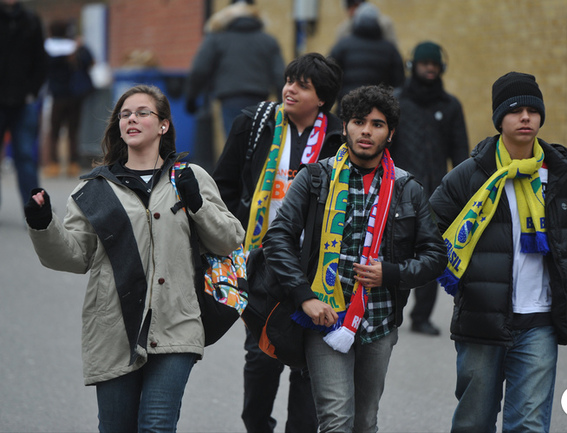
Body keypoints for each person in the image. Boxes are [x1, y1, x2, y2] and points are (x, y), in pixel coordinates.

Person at [24, 84, 244, 432]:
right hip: (114, 330)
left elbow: (229, 240)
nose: (132, 119)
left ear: (163, 125)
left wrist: (198, 204)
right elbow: (76, 256)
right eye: (125, 114)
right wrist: (43, 225)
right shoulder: (94, 189)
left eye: (143, 113)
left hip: (177, 323)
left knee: (157, 425)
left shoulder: (189, 177)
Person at [262, 85, 448, 432]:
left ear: (390, 133)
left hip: (379, 322)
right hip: (324, 316)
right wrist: (305, 297)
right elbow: (277, 238)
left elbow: (436, 255)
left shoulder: (407, 188)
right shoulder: (315, 178)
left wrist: (391, 273)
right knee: (336, 420)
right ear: (345, 126)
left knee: (364, 421)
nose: (366, 131)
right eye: (359, 122)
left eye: (377, 124)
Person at [430, 72, 567, 432]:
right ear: (499, 119)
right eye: (515, 110)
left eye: (533, 111)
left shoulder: (560, 176)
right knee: (474, 422)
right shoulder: (471, 175)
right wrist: (463, 276)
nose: (525, 117)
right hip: (482, 319)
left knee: (529, 425)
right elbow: (430, 229)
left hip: (540, 321)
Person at [213, 52, 343, 433]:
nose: (290, 90)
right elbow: (222, 187)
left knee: (307, 366)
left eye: (303, 86)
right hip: (260, 263)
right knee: (260, 359)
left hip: (316, 267)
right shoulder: (254, 123)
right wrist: (233, 238)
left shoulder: (339, 137)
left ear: (322, 99)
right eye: (289, 81)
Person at [391, 40, 469, 336]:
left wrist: (463, 191)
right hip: (398, 189)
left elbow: (460, 152)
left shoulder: (450, 106)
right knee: (396, 252)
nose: (430, 69)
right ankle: (391, 309)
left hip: (437, 192)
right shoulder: (397, 102)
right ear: (413, 66)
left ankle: (421, 316)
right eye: (425, 64)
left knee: (431, 252)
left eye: (435, 65)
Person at [185, 0, 285, 138]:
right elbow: (280, 76)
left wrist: (191, 98)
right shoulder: (268, 41)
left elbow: (199, 70)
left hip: (230, 100)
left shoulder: (217, 39)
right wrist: (283, 106)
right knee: (256, 142)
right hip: (260, 101)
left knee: (235, 142)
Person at [0, 0, 47, 210]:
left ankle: (34, 210)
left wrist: (32, 92)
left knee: (26, 157)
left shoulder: (31, 21)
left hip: (23, 102)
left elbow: (41, 60)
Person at [328, 2, 405, 113]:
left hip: (347, 107)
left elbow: (329, 73)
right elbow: (398, 82)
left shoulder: (343, 45)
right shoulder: (390, 49)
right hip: (379, 109)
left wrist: (338, 97)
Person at [43, 19, 95, 178]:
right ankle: (73, 163)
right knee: (73, 130)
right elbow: (90, 62)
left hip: (57, 95)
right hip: (75, 96)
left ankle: (54, 164)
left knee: (55, 130)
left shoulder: (48, 49)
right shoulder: (76, 48)